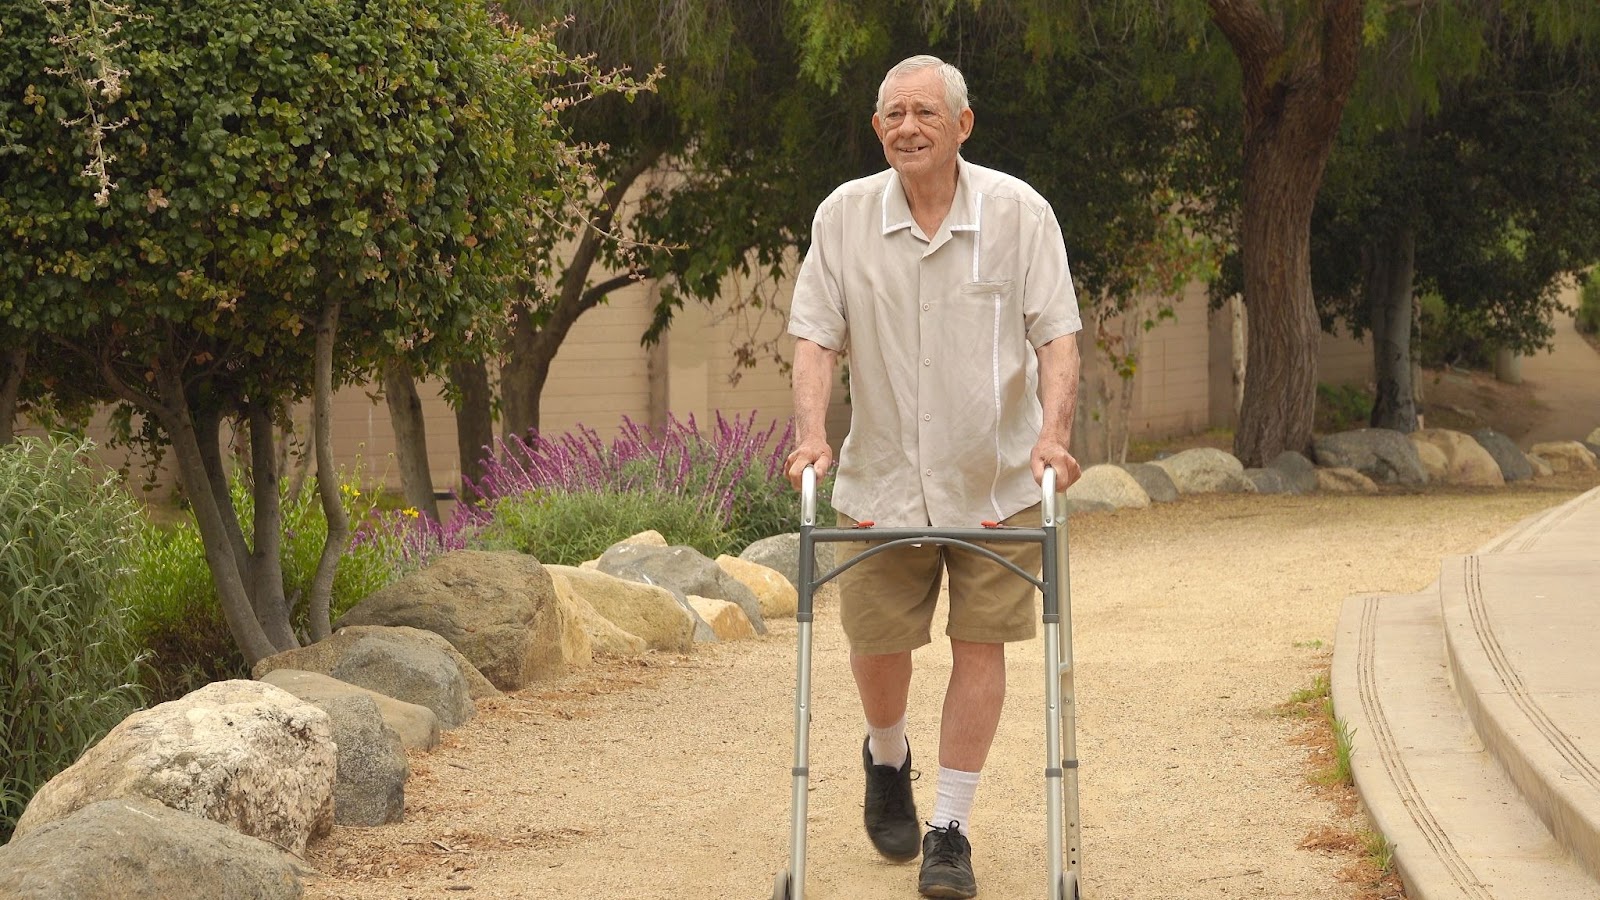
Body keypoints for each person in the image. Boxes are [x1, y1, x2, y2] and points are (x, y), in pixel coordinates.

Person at [784, 54, 1084, 899]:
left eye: (923, 112)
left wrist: (1054, 439)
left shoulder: (1018, 213)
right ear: (877, 127)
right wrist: (812, 435)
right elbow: (815, 334)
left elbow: (1056, 335)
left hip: (992, 481)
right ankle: (887, 754)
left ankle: (948, 828)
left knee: (978, 642)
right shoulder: (843, 217)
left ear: (963, 123)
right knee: (877, 642)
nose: (907, 127)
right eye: (892, 114)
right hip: (881, 478)